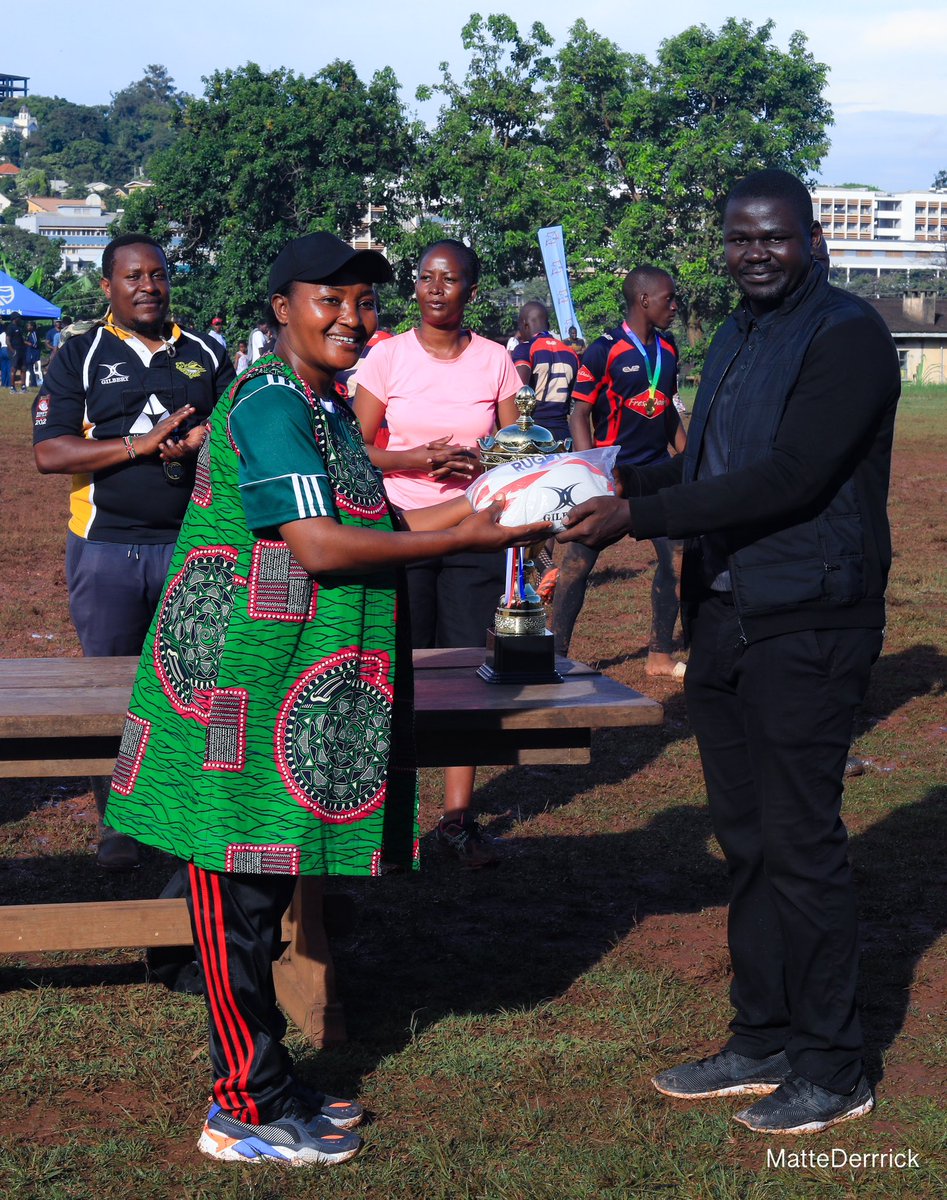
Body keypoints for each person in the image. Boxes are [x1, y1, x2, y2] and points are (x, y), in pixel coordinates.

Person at [101, 231, 546, 1167]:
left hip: (279, 676)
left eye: (363, 303)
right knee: (233, 905)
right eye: (329, 301)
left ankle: (271, 1081)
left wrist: (492, 515)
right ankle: (239, 1107)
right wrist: (456, 536)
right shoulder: (268, 403)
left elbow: (380, 518)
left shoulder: (326, 405)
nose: (352, 317)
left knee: (260, 892)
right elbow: (320, 546)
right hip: (236, 689)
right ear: (282, 309)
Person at [558, 169, 900, 1135]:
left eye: (773, 237)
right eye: (739, 238)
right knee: (745, 842)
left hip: (810, 617)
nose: (755, 252)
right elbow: (708, 464)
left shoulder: (848, 335)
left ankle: (834, 1067)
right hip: (726, 613)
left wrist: (637, 515)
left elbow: (790, 479)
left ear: (812, 241)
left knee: (800, 844)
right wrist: (590, 474)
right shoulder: (739, 336)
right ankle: (763, 1037)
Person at [33, 233, 235, 870]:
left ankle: (197, 815)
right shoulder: (78, 355)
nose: (148, 286)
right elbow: (50, 452)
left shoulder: (205, 352)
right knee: (110, 690)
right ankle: (119, 823)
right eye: (133, 277)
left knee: (200, 687)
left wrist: (205, 437)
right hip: (106, 550)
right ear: (108, 287)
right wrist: (137, 447)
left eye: (158, 274)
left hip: (195, 549)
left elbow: (239, 429)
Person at [354, 239, 521, 867]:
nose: (434, 289)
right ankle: (384, 824)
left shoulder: (496, 361)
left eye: (449, 280)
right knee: (395, 673)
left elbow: (516, 451)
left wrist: (484, 461)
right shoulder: (386, 357)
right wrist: (414, 458)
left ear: (471, 292)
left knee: (468, 674)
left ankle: (455, 822)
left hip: (475, 533)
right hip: (402, 529)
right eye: (425, 278)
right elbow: (354, 449)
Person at [553, 266, 686, 678]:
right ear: (644, 300)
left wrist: (690, 457)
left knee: (679, 562)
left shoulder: (669, 348)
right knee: (576, 566)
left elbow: (663, 411)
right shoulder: (603, 350)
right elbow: (579, 414)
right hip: (613, 478)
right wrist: (592, 474)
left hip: (658, 476)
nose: (675, 306)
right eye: (669, 299)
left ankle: (660, 655)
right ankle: (553, 658)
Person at [511, 300, 578, 442]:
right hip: (563, 433)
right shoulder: (571, 353)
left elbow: (519, 391)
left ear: (525, 325)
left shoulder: (525, 348)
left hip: (534, 432)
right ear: (548, 325)